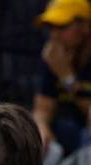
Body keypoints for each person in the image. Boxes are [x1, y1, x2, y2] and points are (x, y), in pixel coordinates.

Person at [33, 0, 91, 155]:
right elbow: (42, 108)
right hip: (65, 130)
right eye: (51, 27)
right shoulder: (54, 57)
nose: (55, 34)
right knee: (46, 148)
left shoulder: (59, 64)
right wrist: (41, 127)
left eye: (62, 27)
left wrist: (66, 77)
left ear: (85, 26)